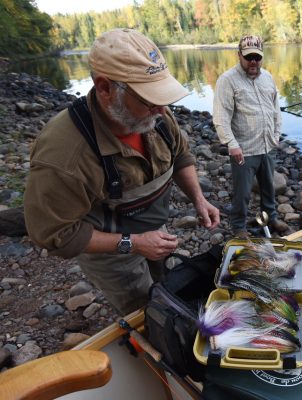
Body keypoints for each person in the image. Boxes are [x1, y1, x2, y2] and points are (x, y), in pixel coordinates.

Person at [23, 28, 220, 315]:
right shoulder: (64, 157)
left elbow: (180, 156)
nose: (162, 109)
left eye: (162, 96)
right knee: (145, 310)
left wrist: (198, 199)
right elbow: (56, 234)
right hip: (111, 251)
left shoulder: (157, 116)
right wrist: (134, 243)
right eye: (149, 99)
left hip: (153, 231)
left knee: (168, 287)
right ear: (105, 88)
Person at [213, 34, 285, 239]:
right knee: (242, 193)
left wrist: (276, 134)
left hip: (267, 145)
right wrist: (232, 144)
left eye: (257, 57)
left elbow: (275, 109)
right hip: (244, 149)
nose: (253, 61)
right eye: (248, 57)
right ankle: (239, 228)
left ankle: (269, 218)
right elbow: (221, 117)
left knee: (268, 188)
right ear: (239, 55)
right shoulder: (227, 80)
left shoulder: (268, 77)